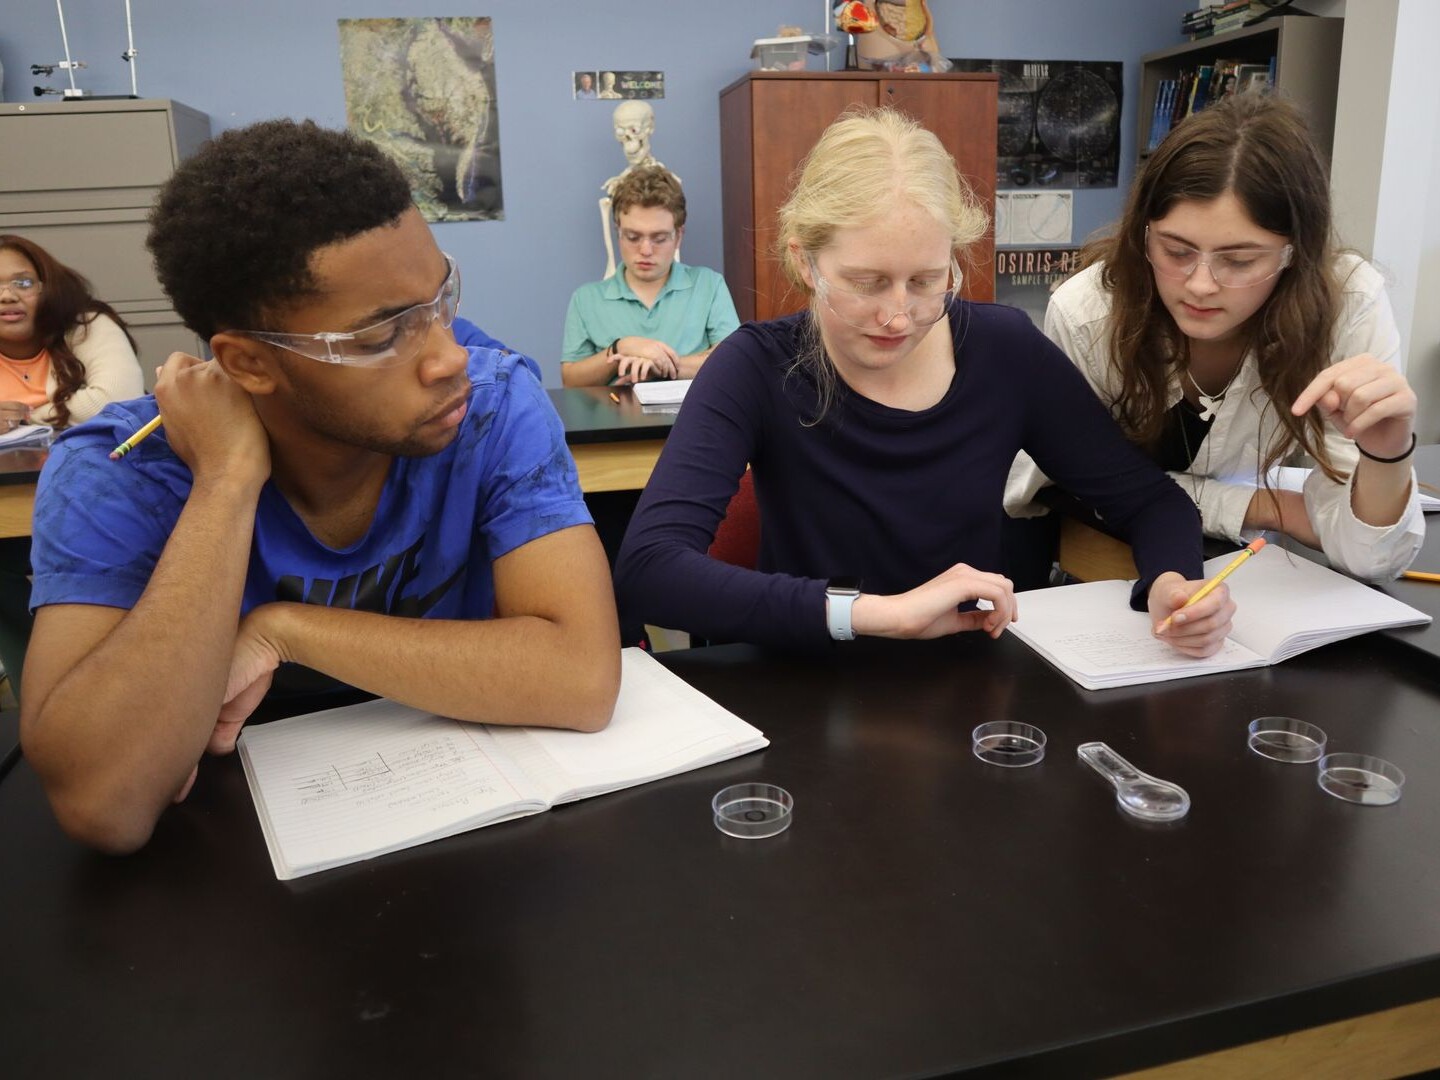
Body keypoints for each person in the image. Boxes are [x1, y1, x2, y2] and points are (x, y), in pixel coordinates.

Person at [20, 119, 621, 854]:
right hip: (232, 876)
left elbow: (583, 678)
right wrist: (227, 480)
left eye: (441, 300)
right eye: (380, 337)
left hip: (478, 839)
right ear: (247, 365)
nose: (448, 358)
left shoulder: (490, 406)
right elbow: (104, 805)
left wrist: (283, 630)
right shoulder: (122, 473)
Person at [614, 108, 1234, 654]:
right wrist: (876, 615)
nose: (897, 315)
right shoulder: (754, 367)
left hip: (966, 695)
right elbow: (650, 570)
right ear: (805, 260)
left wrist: (1173, 582)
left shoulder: (1003, 350)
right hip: (807, 693)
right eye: (866, 282)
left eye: (926, 281)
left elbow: (1149, 500)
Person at [1005, 94, 1423, 583]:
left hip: (1251, 581)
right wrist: (1271, 507)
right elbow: (1063, 483)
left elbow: (1373, 558)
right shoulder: (1087, 315)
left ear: (1295, 254)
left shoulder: (1348, 303)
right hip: (1099, 568)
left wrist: (1388, 451)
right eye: (1176, 251)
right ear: (1143, 235)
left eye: (1240, 261)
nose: (1201, 284)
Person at [0, 235, 145, 703]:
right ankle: (41, 700)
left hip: (99, 494)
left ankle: (111, 691)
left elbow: (114, 402)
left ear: (47, 287)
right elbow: (86, 406)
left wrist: (26, 415)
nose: (7, 296)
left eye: (22, 282)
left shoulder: (86, 325)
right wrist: (64, 408)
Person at [563, 165, 739, 386]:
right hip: (615, 417)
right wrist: (622, 347)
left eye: (659, 238)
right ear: (618, 232)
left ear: (678, 236)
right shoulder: (586, 299)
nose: (645, 250)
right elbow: (570, 379)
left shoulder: (709, 285)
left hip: (693, 417)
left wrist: (662, 366)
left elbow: (734, 362)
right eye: (633, 237)